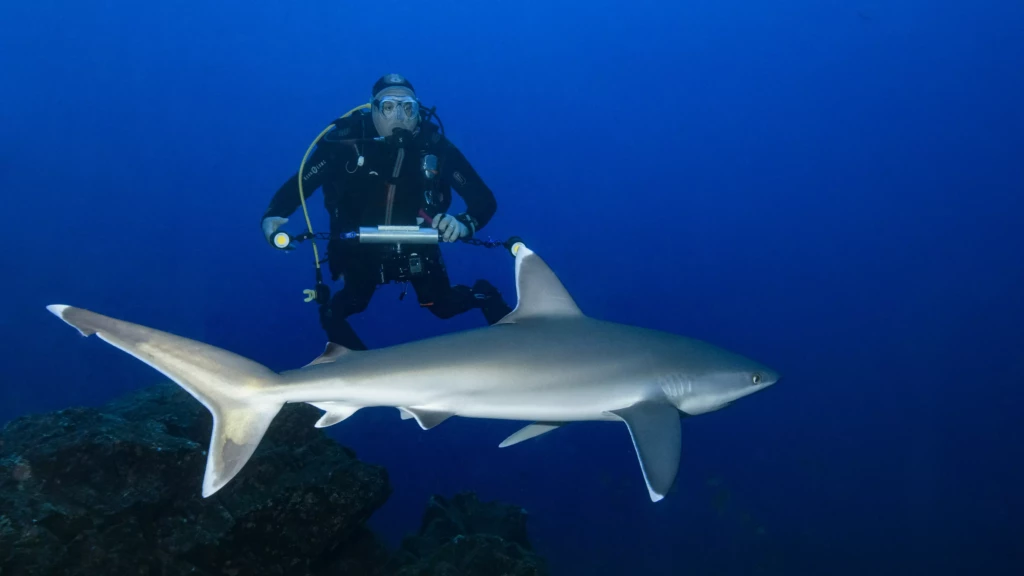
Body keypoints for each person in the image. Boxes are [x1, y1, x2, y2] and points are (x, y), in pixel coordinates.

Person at [260, 73, 513, 350]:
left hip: (418, 244)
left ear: (418, 110)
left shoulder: (434, 147)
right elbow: (302, 183)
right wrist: (273, 213)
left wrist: (464, 223)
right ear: (373, 109)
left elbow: (484, 200)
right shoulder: (345, 143)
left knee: (442, 306)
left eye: (408, 108)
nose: (400, 116)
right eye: (389, 107)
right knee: (339, 309)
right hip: (358, 248)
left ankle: (491, 301)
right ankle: (359, 370)